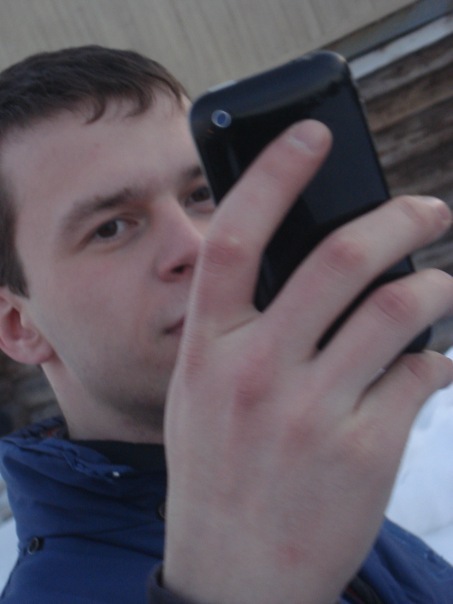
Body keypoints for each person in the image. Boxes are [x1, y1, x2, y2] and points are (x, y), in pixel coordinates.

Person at [0, 45, 451, 604]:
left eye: (201, 194)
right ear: (17, 325)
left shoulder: (301, 473)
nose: (199, 245)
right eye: (111, 227)